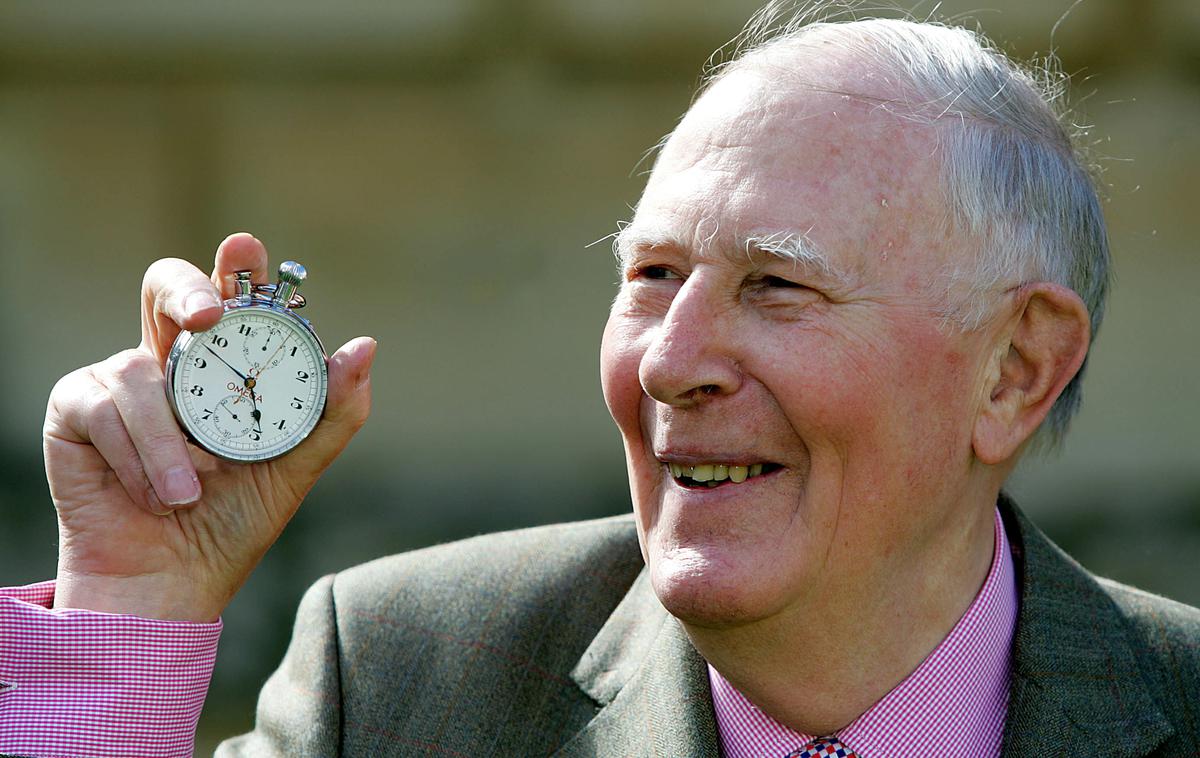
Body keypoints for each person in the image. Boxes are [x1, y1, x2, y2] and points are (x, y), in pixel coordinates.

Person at [2, 4, 1198, 757]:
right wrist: (134, 611)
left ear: (1016, 368)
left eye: (777, 286)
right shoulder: (399, 686)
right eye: (654, 273)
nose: (670, 361)